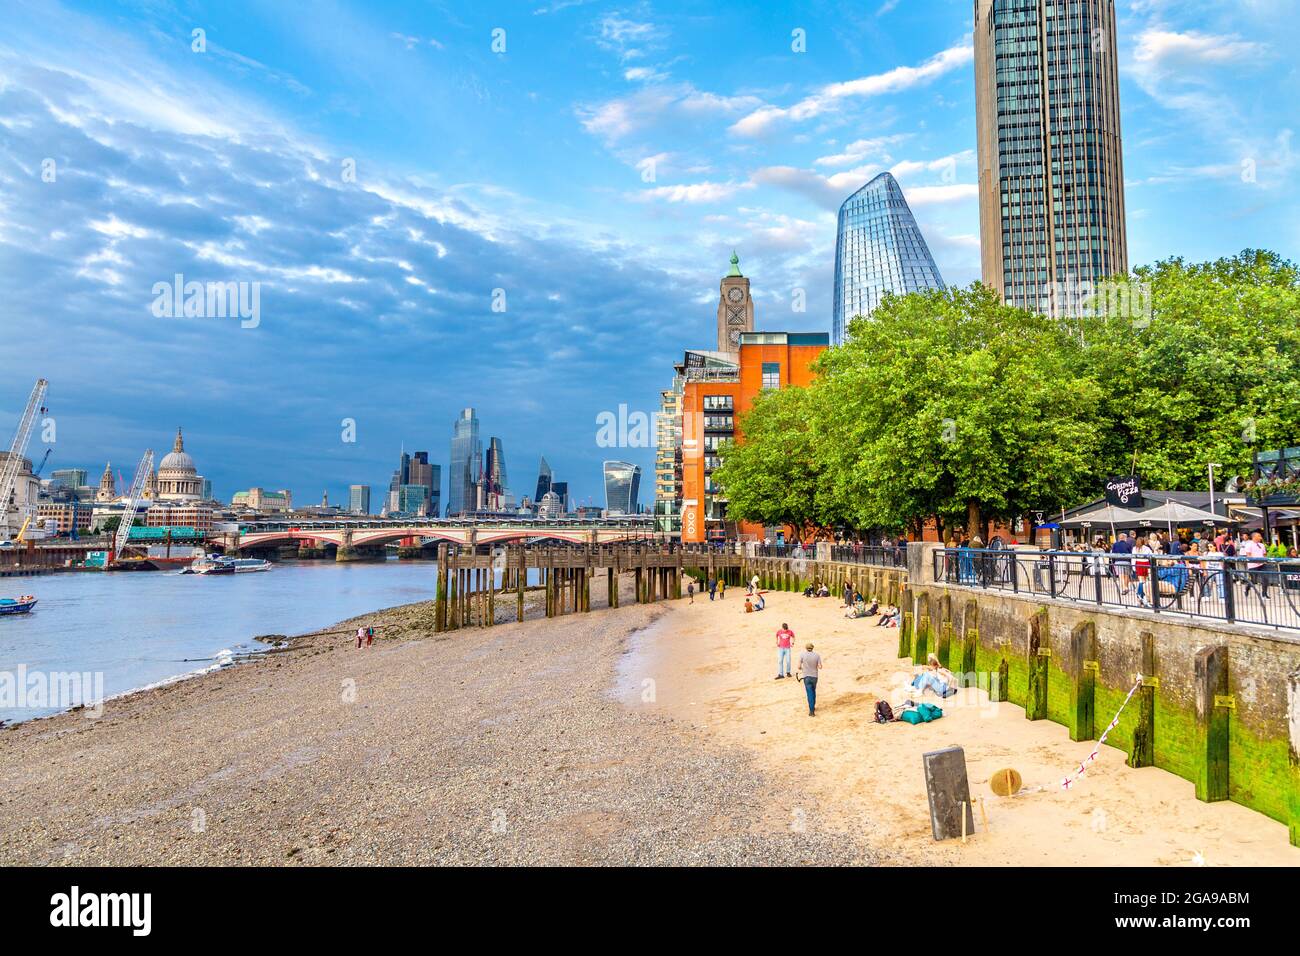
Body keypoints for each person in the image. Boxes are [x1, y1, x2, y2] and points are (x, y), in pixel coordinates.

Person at [798, 643, 823, 716]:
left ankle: (811, 710)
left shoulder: (802, 655)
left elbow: (799, 667)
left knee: (809, 693)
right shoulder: (817, 655)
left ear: (806, 648)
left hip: (806, 676)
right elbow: (820, 667)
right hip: (814, 676)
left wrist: (803, 668)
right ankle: (813, 706)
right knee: (813, 691)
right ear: (812, 648)